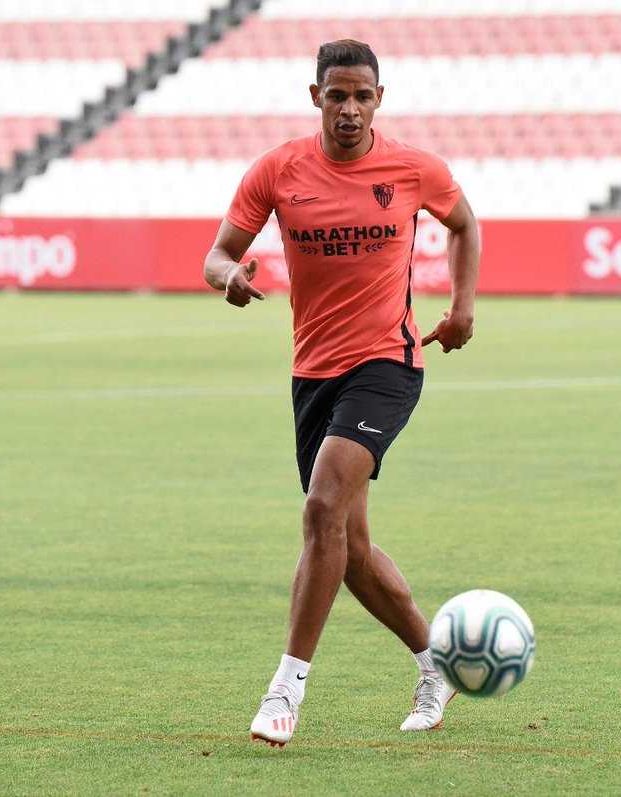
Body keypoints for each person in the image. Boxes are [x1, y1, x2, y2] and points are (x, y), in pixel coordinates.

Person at [203, 39, 480, 748]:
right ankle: (435, 665)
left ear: (379, 99)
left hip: (388, 363)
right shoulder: (278, 170)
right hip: (312, 372)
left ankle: (285, 688)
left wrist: (463, 306)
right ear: (315, 97)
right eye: (337, 95)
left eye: (362, 95)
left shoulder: (413, 168)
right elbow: (218, 253)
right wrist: (227, 277)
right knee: (348, 545)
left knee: (322, 503)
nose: (350, 108)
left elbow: (464, 224)